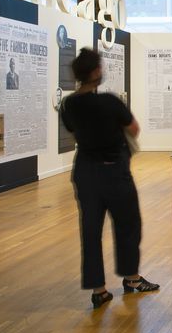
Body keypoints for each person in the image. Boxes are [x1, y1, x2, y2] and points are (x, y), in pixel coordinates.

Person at [60, 48, 159, 309]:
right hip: (114, 170)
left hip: (85, 171)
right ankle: (132, 279)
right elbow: (134, 129)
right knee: (128, 225)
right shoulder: (110, 102)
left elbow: (72, 130)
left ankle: (99, 290)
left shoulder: (69, 104)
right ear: (95, 72)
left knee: (90, 231)